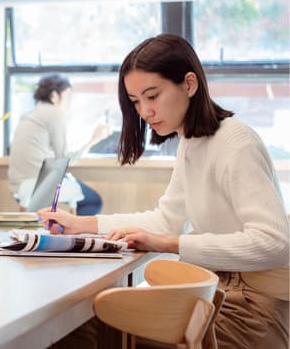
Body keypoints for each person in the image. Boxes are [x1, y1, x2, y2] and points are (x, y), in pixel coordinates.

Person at [40, 34, 289, 348]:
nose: (144, 111)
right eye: (135, 102)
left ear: (189, 84)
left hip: (251, 315)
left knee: (78, 333)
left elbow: (275, 243)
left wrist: (170, 244)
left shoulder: (235, 142)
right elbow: (166, 219)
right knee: (81, 328)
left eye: (152, 96)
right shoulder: (193, 143)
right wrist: (82, 225)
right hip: (217, 298)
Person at [8, 74, 111, 215]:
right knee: (93, 201)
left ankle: (61, 230)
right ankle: (67, 233)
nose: (69, 103)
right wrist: (94, 139)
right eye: (68, 97)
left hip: (18, 187)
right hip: (39, 184)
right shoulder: (54, 114)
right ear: (54, 96)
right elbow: (63, 159)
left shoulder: (29, 115)